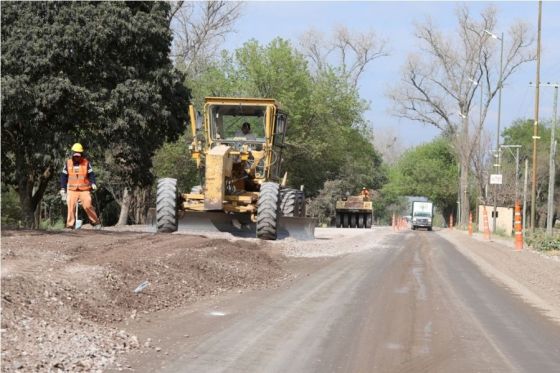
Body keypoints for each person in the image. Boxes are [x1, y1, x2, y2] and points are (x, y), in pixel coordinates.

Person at [60, 143, 101, 229]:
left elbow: (91, 174)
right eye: (75, 155)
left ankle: (95, 222)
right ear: (73, 154)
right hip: (72, 189)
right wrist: (63, 188)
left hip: (84, 189)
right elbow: (63, 176)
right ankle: (70, 225)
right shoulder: (68, 163)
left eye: (79, 155)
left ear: (81, 154)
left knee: (88, 205)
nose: (77, 157)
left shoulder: (86, 163)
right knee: (70, 206)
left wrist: (93, 183)